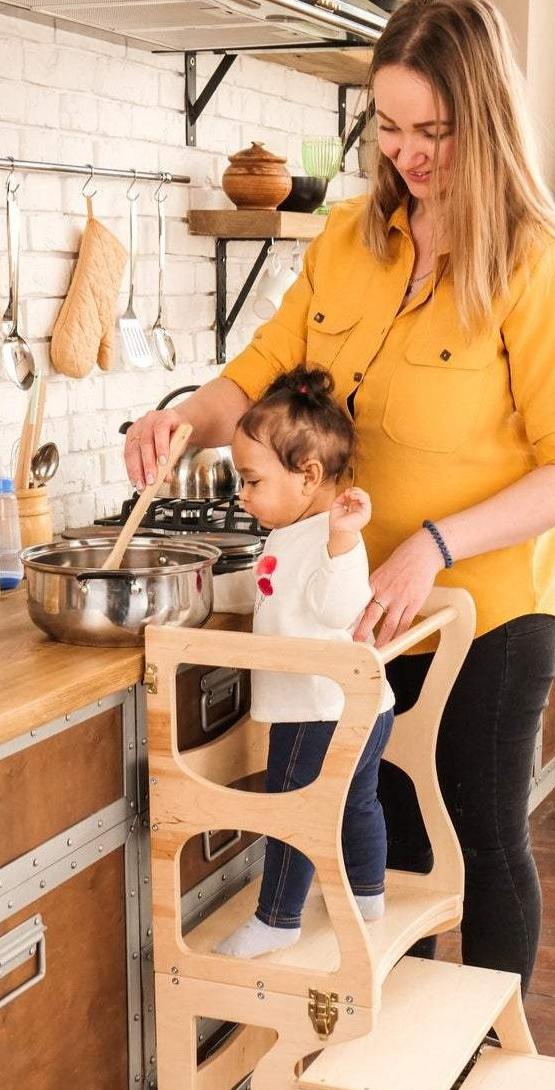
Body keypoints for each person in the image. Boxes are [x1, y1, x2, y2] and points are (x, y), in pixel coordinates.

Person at [123, 0, 555, 992]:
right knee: (380, 848)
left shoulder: (538, 264)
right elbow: (254, 375)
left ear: (484, 118)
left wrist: (431, 541)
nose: (407, 153)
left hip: (482, 614)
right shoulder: (350, 238)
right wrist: (181, 417)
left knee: (477, 839)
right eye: (388, 127)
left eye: (433, 130)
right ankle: (393, 1054)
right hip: (355, 616)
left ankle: (482, 1060)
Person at [213, 365, 396, 960]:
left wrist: (345, 543)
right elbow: (269, 589)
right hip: (357, 706)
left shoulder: (332, 535)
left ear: (308, 476)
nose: (243, 495)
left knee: (293, 816)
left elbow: (339, 606)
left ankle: (277, 920)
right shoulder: (292, 532)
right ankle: (367, 895)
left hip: (319, 712)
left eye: (252, 481)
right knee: (355, 803)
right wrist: (205, 598)